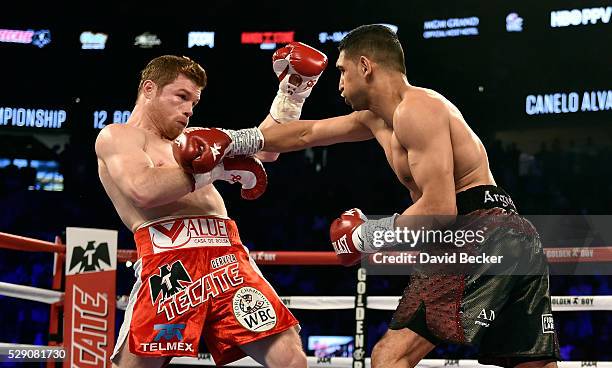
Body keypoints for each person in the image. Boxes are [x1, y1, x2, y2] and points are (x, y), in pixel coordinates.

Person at [182, 25, 560, 368]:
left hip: (478, 231)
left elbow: (441, 207)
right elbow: (302, 134)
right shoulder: (378, 119)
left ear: (366, 66)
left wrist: (366, 235)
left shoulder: (418, 109)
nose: (339, 84)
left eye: (342, 71)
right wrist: (233, 139)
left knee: (389, 357)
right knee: (532, 365)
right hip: (511, 235)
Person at [95, 51, 326, 368]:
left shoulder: (193, 140)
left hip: (227, 258)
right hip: (170, 265)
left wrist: (292, 92)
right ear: (149, 89)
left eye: (194, 102)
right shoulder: (117, 136)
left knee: (291, 360)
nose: (189, 109)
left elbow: (266, 148)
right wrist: (215, 168)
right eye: (181, 97)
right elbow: (143, 189)